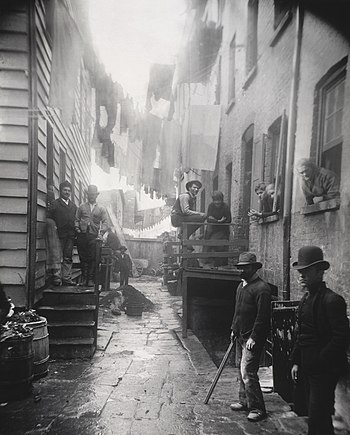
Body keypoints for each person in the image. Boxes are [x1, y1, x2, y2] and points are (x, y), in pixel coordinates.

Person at [290, 246, 349, 435]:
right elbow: (302, 334)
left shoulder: (333, 301)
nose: (301, 276)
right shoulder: (305, 300)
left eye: (306, 272)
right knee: (314, 415)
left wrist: (320, 360)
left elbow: (341, 337)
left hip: (325, 369)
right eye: (300, 272)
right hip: (309, 367)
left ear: (319, 272)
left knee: (317, 416)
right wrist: (297, 362)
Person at [230, 252, 272, 422]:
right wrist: (234, 328)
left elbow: (263, 317)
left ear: (254, 268)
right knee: (241, 370)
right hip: (240, 335)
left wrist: (254, 337)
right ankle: (245, 401)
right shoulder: (241, 287)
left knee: (248, 371)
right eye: (240, 268)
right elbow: (237, 311)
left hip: (252, 338)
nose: (241, 271)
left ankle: (257, 408)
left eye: (245, 268)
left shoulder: (262, 289)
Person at [75, 185, 108, 286]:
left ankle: (90, 280)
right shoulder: (81, 207)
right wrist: (77, 228)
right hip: (83, 235)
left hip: (93, 236)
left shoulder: (101, 208)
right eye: (90, 194)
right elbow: (76, 219)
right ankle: (84, 279)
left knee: (93, 258)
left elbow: (105, 222)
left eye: (93, 194)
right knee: (83, 257)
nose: (91, 196)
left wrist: (101, 233)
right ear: (87, 195)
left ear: (96, 195)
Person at [48, 181, 77, 286]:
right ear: (60, 191)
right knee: (57, 257)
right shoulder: (55, 204)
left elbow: (76, 220)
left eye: (69, 190)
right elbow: (49, 218)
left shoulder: (73, 206)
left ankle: (66, 278)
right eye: (65, 190)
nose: (67, 192)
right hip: (58, 235)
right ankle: (57, 279)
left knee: (68, 257)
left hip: (70, 235)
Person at [204, 191, 232, 267]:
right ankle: (210, 264)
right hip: (212, 229)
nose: (217, 205)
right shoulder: (211, 206)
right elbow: (208, 218)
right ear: (213, 201)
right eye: (215, 203)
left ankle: (221, 266)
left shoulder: (225, 207)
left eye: (219, 203)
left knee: (221, 247)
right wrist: (217, 221)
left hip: (222, 230)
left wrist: (221, 222)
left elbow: (229, 219)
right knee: (210, 245)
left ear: (221, 200)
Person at [46, 185, 62, 286]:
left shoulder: (56, 205)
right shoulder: (47, 220)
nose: (50, 205)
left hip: (55, 231)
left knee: (55, 251)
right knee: (51, 251)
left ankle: (56, 276)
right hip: (49, 229)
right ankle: (52, 276)